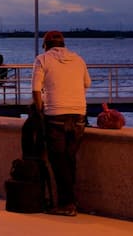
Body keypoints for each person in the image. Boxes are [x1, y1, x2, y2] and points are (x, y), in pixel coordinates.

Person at [32, 30, 91, 216]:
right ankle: (71, 201)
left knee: (59, 162)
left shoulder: (42, 59)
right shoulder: (78, 59)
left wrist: (40, 108)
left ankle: (67, 204)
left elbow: (35, 90)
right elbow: (87, 84)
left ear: (46, 45)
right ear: (63, 44)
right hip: (79, 115)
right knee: (70, 159)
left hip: (55, 115)